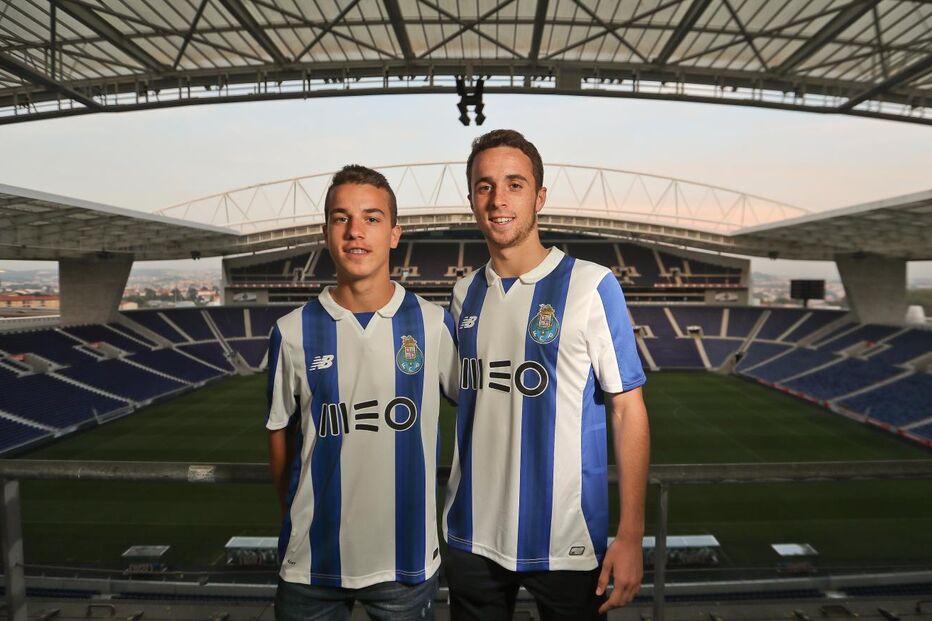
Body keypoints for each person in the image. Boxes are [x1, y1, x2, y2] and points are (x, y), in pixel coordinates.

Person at [443, 130, 650, 620]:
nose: (498, 199)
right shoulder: (462, 293)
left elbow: (628, 410)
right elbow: (457, 394)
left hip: (568, 543)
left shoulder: (592, 285)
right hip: (471, 539)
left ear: (539, 197)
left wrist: (631, 535)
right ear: (472, 198)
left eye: (514, 184)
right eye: (484, 186)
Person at [266, 165, 459, 620]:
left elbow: (478, 412)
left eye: (371, 218)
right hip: (309, 565)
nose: (356, 231)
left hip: (406, 565)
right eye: (341, 218)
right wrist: (298, 515)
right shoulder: (291, 331)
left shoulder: (434, 325)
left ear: (395, 234)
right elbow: (278, 433)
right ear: (326, 232)